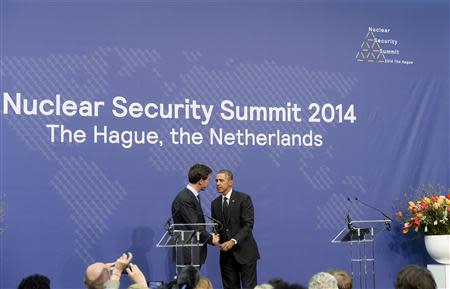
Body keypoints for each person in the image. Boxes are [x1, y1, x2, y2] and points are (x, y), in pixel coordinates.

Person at [211, 169, 260, 289]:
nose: (217, 183)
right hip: (226, 257)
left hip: (245, 253)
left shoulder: (243, 199)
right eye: (216, 180)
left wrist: (233, 241)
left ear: (230, 182)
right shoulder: (215, 203)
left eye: (221, 180)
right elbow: (216, 227)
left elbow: (248, 225)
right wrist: (215, 236)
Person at [171, 164, 219, 268]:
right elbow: (194, 225)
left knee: (194, 283)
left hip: (193, 251)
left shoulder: (191, 196)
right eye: (208, 180)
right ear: (201, 181)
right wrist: (211, 239)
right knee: (188, 284)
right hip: (188, 252)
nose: (209, 183)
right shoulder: (185, 198)